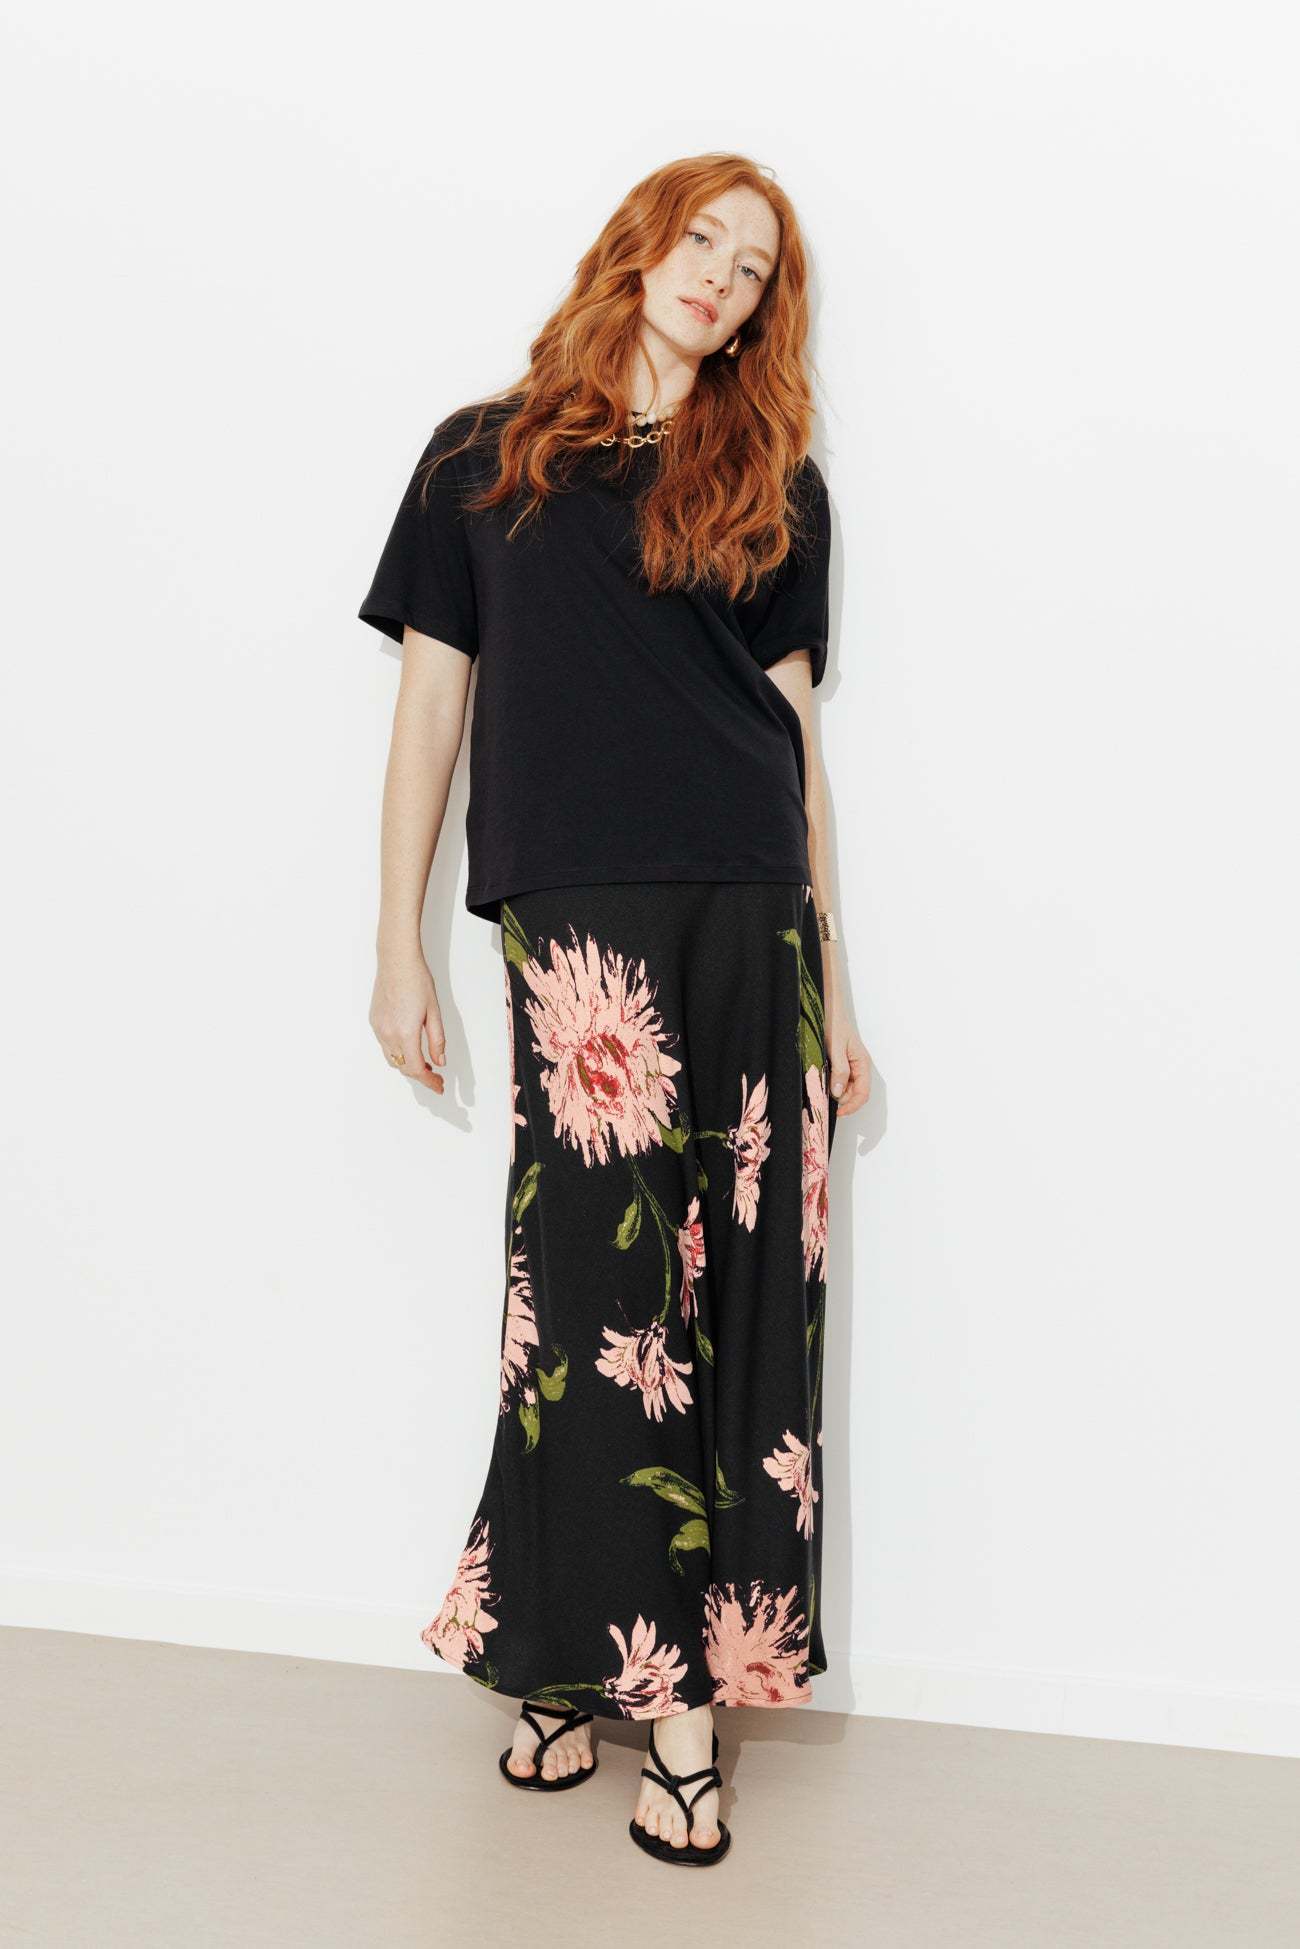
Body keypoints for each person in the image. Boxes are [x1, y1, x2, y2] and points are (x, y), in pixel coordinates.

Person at [356, 152, 872, 1867]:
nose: (722, 274)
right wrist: (397, 941)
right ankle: (579, 1655)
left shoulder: (776, 481)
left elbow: (795, 745)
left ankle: (683, 1715)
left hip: (748, 909)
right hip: (578, 921)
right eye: (702, 238)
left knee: (741, 1316)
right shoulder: (481, 457)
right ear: (641, 245)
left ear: (762, 309)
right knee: (589, 1302)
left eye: (755, 264)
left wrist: (837, 986)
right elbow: (432, 710)